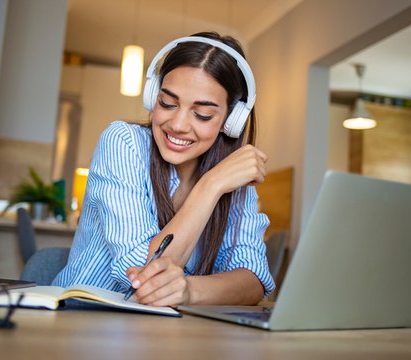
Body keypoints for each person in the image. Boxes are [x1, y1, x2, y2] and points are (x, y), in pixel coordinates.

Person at [52, 32, 274, 306]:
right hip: (81, 320)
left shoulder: (233, 177)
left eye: (202, 114)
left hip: (167, 335)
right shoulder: (124, 143)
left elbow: (253, 279)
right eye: (167, 103)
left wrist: (189, 291)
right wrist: (210, 186)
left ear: (231, 121)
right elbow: (143, 276)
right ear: (152, 96)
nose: (178, 124)